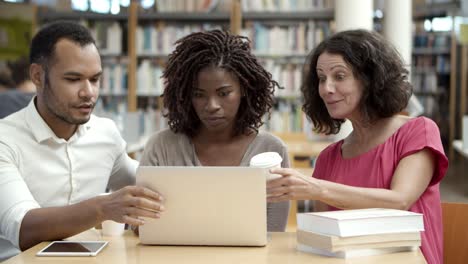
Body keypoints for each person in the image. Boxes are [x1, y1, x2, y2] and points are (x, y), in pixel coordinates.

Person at [266, 29, 448, 264]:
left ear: (370, 79)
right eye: (321, 78)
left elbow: (400, 200)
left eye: (339, 76)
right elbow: (325, 238)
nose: (326, 88)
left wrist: (316, 187)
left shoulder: (418, 131)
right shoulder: (328, 157)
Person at [0, 21, 164, 261]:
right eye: (73, 79)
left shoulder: (105, 133)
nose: (89, 92)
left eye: (95, 79)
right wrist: (104, 207)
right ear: (37, 76)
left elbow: (150, 185)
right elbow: (24, 229)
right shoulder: (5, 139)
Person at [139, 29, 290, 232]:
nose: (211, 105)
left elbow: (274, 233)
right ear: (186, 96)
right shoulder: (162, 147)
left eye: (224, 93)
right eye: (199, 95)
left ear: (244, 89)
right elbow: (142, 226)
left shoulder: (271, 150)